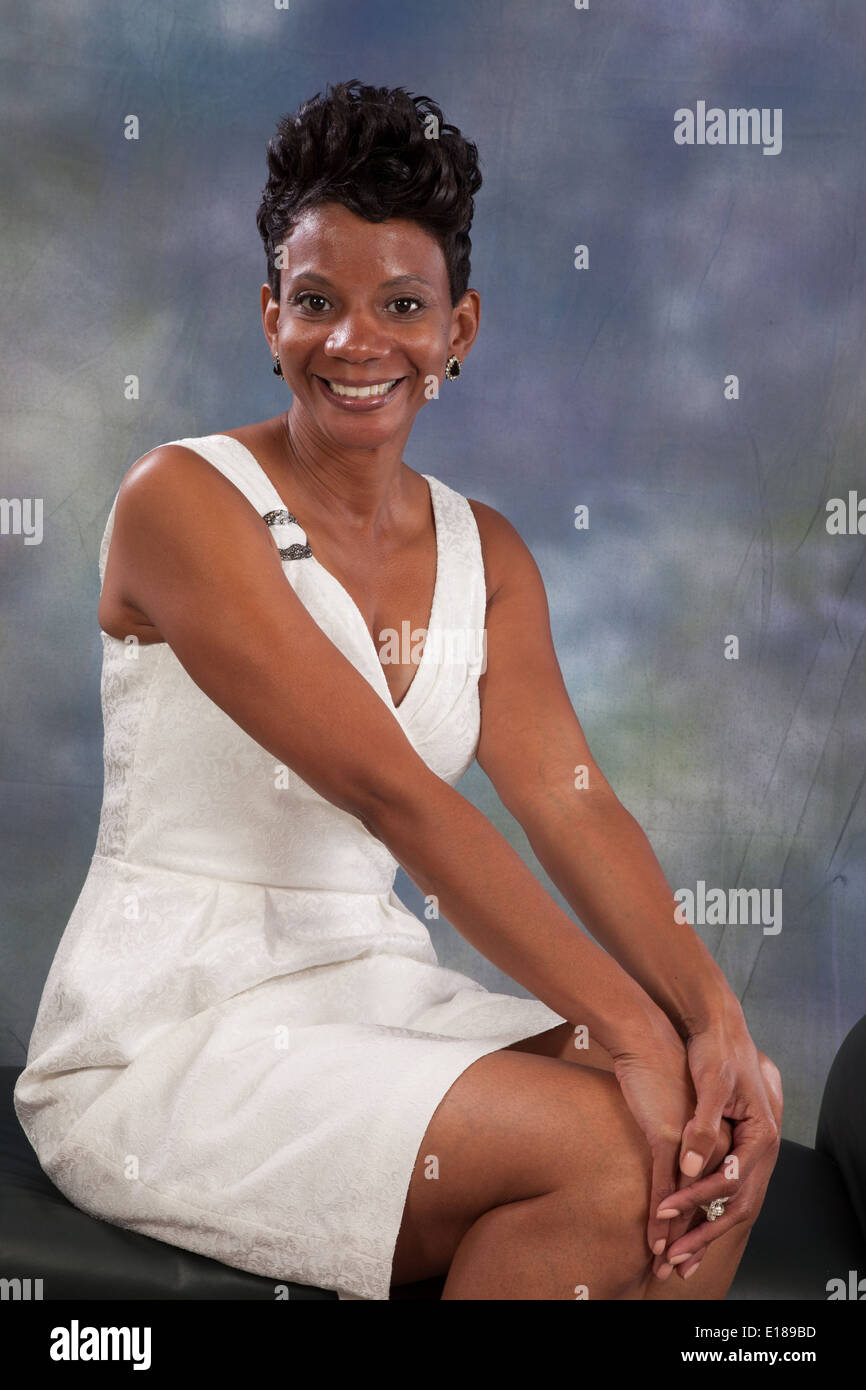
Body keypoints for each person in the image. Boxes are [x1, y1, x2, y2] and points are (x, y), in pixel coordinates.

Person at [14, 79, 781, 1301]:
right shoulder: (181, 502)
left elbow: (569, 804)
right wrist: (630, 1031)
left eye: (401, 306)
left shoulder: (490, 557)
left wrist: (708, 1021)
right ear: (270, 317)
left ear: (458, 330)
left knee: (717, 1132)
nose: (354, 343)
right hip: (176, 1032)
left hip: (370, 989)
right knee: (605, 1151)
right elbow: (394, 794)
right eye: (315, 303)